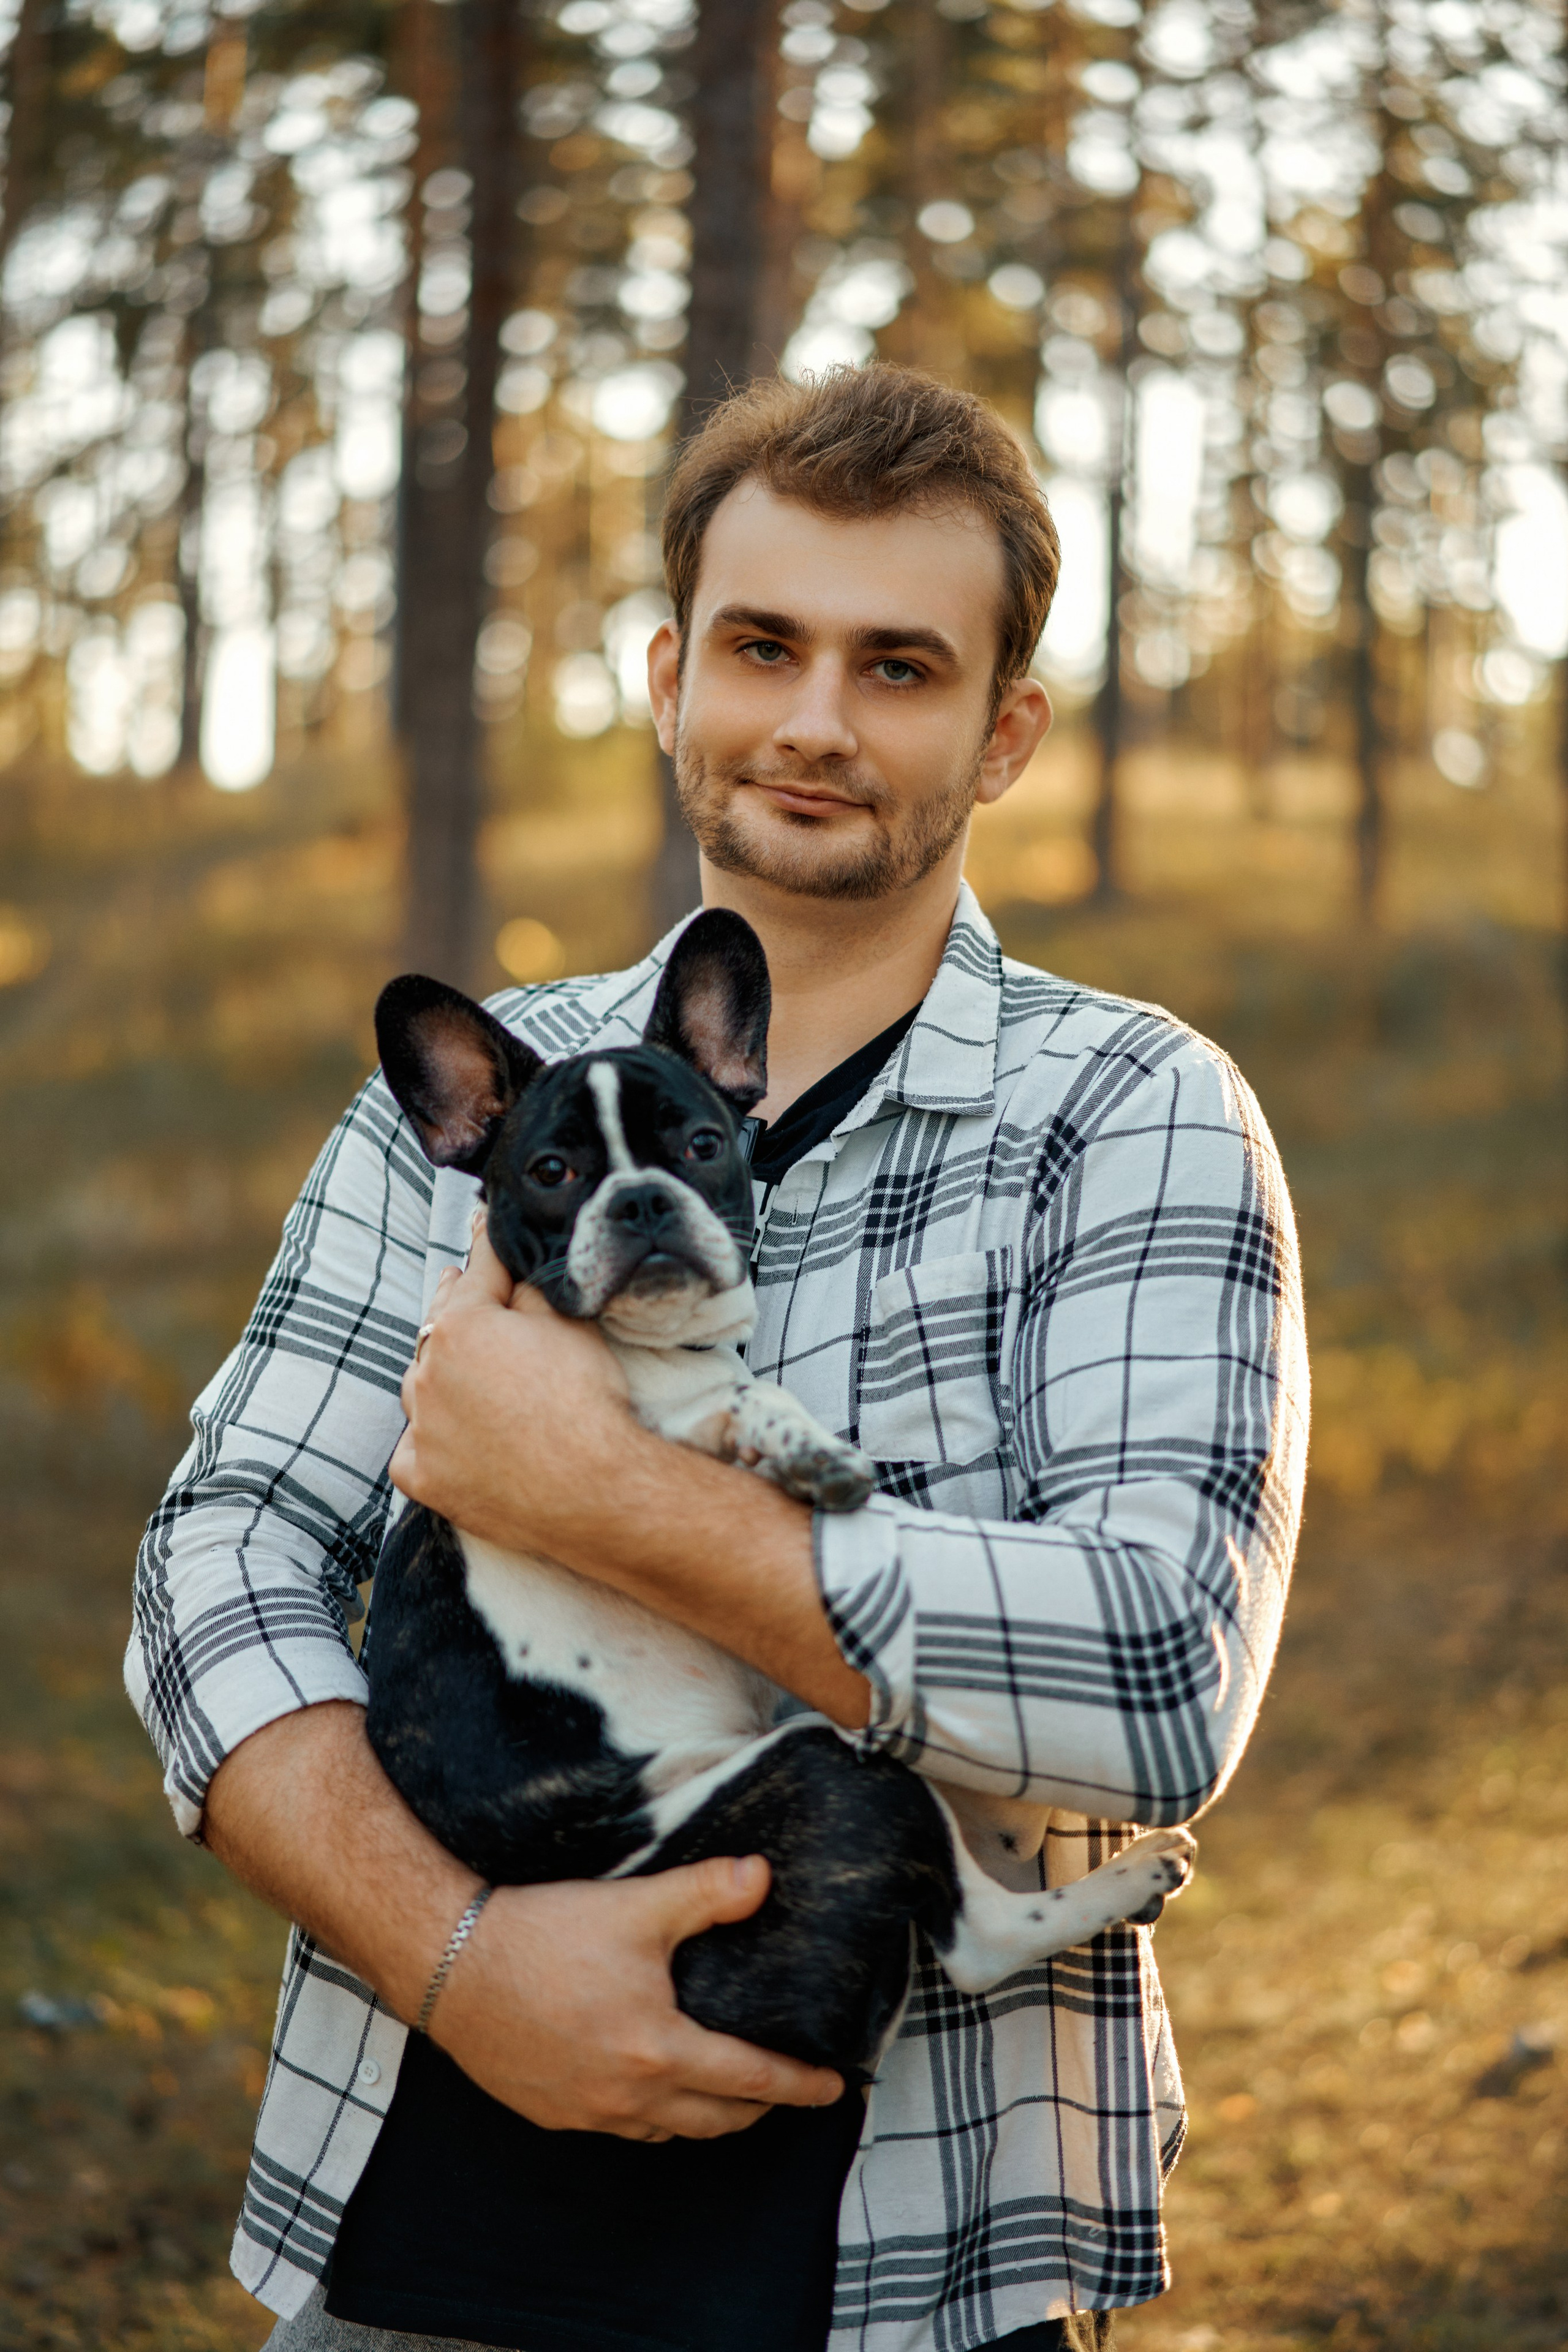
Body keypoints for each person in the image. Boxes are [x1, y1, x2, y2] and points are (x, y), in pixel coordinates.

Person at [129, 364, 1307, 2352]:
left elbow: (1162, 1667)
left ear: (1004, 730)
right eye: (764, 645)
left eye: (900, 666)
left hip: (906, 2254)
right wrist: (463, 1957)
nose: (817, 720)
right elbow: (210, 1568)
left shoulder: (1134, 1112)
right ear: (672, 673)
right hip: (417, 2227)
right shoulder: (474, 1097)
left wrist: (601, 1497)